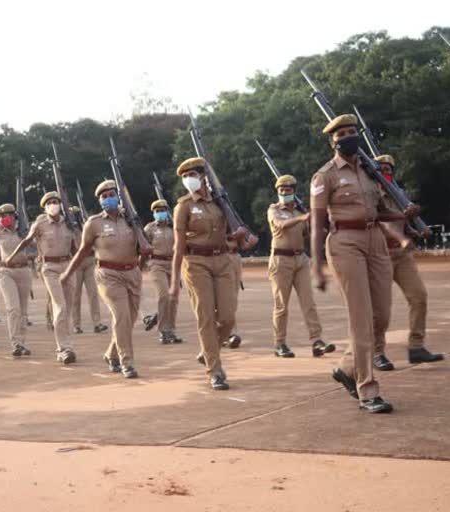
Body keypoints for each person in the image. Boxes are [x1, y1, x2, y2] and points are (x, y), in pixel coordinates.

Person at [310, 114, 417, 413]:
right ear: (332, 141)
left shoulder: (370, 173)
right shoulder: (325, 176)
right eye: (341, 133)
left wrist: (405, 216)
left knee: (380, 315)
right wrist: (317, 265)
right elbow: (318, 224)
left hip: (376, 241)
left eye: (352, 131)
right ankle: (367, 390)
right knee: (361, 316)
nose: (348, 136)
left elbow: (382, 210)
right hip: (344, 242)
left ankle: (346, 368)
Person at [169, 157, 252, 390]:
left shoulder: (219, 202)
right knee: (206, 317)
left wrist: (239, 236)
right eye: (185, 177)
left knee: (227, 317)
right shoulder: (183, 206)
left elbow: (229, 232)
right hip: (195, 263)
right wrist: (174, 281)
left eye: (192, 175)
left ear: (203, 176)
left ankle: (208, 350)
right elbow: (178, 246)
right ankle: (215, 370)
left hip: (223, 260)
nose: (188, 180)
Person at [61, 180, 146, 377]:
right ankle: (127, 362)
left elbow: (143, 246)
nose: (109, 199)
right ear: (99, 201)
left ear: (119, 197)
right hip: (108, 275)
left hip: (132, 273)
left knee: (130, 319)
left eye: (111, 195)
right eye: (104, 196)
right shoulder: (94, 223)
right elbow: (83, 251)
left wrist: (139, 268)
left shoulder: (131, 219)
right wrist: (68, 273)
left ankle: (111, 353)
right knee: (121, 316)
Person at [372, 155, 443, 370]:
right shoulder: (371, 194)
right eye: (381, 168)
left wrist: (415, 228)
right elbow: (383, 222)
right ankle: (377, 352)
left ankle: (417, 346)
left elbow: (401, 221)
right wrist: (402, 238)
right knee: (381, 309)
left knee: (419, 297)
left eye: (389, 168)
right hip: (379, 254)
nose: (386, 171)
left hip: (402, 256)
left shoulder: (398, 193)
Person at [7, 191, 77, 364]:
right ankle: (64, 348)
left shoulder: (68, 222)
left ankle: (63, 338)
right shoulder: (40, 223)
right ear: (44, 207)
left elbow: (79, 246)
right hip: (49, 268)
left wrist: (76, 227)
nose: (53, 205)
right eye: (50, 203)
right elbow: (27, 240)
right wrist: (12, 255)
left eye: (56, 202)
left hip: (68, 266)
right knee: (59, 305)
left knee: (67, 307)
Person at [267, 174, 333, 358]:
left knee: (308, 302)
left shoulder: (299, 212)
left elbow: (308, 233)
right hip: (281, 261)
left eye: (288, 190)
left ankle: (317, 340)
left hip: (300, 259)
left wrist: (317, 224)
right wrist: (303, 218)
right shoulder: (274, 210)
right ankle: (280, 343)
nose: (284, 193)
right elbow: (281, 225)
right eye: (281, 190)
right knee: (281, 305)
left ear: (294, 192)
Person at [0, 203, 33, 356]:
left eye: (5, 216)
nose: (3, 219)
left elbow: (34, 246)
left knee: (23, 311)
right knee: (13, 308)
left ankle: (22, 342)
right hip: (6, 271)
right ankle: (16, 343)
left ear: (14, 216)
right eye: (0, 217)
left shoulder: (24, 230)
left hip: (24, 270)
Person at [143, 199, 181, 344]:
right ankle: (163, 331)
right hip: (156, 263)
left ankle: (170, 330)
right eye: (157, 211)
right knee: (164, 295)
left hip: (172, 264)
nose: (160, 213)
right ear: (153, 213)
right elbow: (143, 247)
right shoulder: (150, 228)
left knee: (173, 298)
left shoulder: (174, 227)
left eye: (162, 210)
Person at [69, 206, 108, 335]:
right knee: (76, 295)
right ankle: (76, 324)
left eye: (77, 214)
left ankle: (97, 323)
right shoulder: (69, 228)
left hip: (90, 261)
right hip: (76, 262)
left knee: (93, 293)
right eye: (74, 215)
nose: (76, 216)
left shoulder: (87, 225)